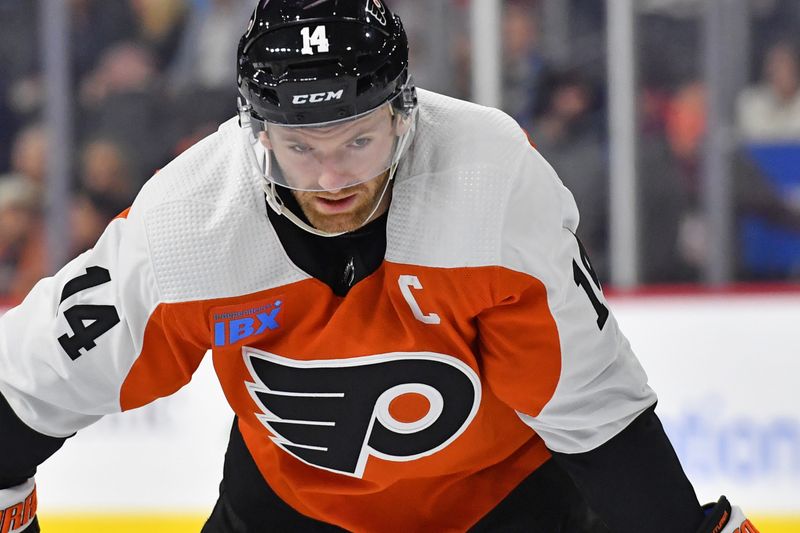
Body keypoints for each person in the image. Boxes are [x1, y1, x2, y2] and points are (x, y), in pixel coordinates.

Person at [0, 2, 758, 532]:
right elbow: (20, 394)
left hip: (514, 501)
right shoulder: (185, 228)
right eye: (301, 147)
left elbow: (597, 417)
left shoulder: (490, 184)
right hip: (290, 508)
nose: (332, 179)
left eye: (357, 140)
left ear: (405, 112)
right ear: (253, 133)